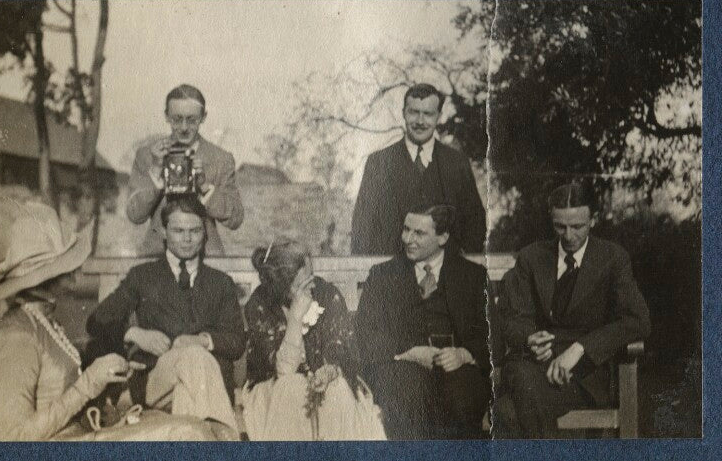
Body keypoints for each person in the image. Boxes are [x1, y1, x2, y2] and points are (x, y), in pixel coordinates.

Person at [0, 201, 237, 441]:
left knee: (193, 428)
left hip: (83, 430)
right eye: (68, 270)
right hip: (63, 443)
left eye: (195, 231)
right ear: (44, 279)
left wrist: (104, 387)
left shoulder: (42, 321)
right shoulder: (15, 336)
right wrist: (90, 382)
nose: (76, 277)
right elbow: (14, 440)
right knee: (188, 432)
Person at [494, 182, 651, 439]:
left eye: (577, 226)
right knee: (520, 377)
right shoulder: (531, 258)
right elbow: (511, 317)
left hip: (581, 375)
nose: (568, 235)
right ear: (552, 220)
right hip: (532, 366)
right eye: (560, 226)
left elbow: (638, 320)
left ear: (594, 219)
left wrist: (580, 349)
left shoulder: (612, 258)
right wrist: (529, 338)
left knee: (507, 412)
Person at [86, 197, 244, 429]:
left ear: (205, 233)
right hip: (157, 381)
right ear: (163, 232)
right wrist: (134, 333)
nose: (188, 239)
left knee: (191, 373)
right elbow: (96, 323)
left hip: (210, 386)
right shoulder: (143, 276)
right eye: (179, 230)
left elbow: (237, 341)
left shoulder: (221, 283)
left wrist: (202, 340)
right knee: (194, 357)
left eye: (195, 231)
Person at [355, 204, 491, 439]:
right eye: (406, 230)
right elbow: (366, 333)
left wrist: (463, 354)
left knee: (462, 398)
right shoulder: (383, 276)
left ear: (443, 237)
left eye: (419, 233)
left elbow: (493, 334)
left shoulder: (472, 276)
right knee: (405, 397)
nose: (408, 239)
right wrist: (408, 352)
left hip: (457, 369)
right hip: (403, 368)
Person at [240, 238, 386, 440]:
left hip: (327, 383)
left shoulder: (327, 294)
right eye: (303, 283)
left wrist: (330, 369)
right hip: (274, 390)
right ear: (281, 286)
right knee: (292, 388)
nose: (312, 285)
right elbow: (282, 371)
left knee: (338, 390)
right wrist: (295, 319)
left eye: (311, 276)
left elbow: (341, 350)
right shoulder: (260, 303)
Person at [351, 83, 486, 255]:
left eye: (428, 114)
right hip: (392, 276)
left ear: (439, 116)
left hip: (445, 277)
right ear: (403, 113)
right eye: (414, 112)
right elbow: (362, 229)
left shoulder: (457, 163)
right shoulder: (379, 163)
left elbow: (475, 224)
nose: (420, 121)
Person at [126, 83, 244, 255]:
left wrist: (204, 187)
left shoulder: (221, 159)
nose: (183, 127)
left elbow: (236, 219)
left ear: (204, 117)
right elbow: (135, 215)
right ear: (166, 116)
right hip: (156, 258)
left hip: (207, 260)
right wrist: (156, 169)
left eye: (191, 120)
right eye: (176, 119)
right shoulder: (147, 155)